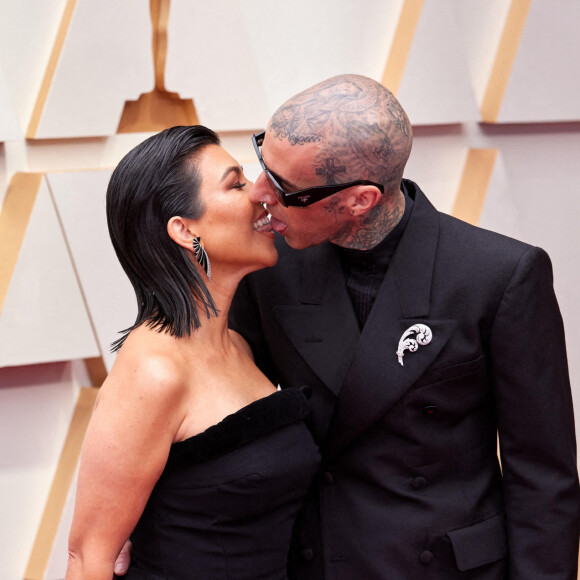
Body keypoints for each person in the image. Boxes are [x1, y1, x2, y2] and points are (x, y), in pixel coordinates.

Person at [226, 74, 580, 579]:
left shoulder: (499, 275)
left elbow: (542, 477)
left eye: (284, 188)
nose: (259, 195)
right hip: (317, 558)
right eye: (263, 163)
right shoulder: (267, 266)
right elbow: (228, 418)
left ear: (359, 200)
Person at [65, 125, 320, 580]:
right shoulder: (154, 371)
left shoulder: (240, 345)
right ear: (184, 230)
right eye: (236, 183)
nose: (261, 195)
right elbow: (90, 559)